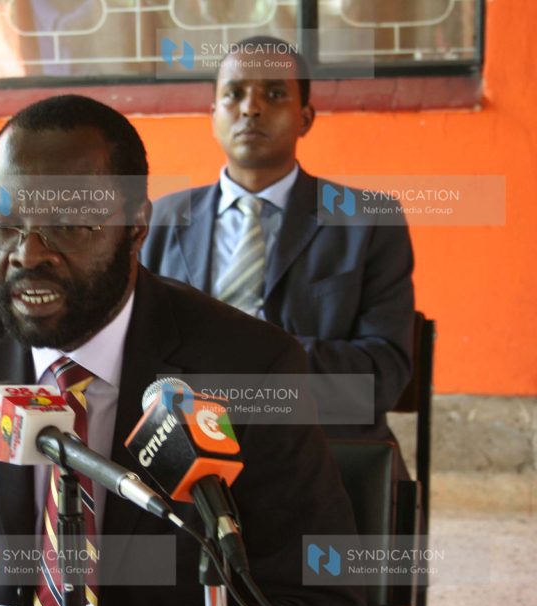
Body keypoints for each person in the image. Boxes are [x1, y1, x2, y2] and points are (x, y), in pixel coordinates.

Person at [0, 94, 369, 606]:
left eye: (69, 226)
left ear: (136, 226)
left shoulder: (249, 367)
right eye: (4, 225)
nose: (28, 254)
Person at [141, 36, 415, 442]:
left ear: (305, 118)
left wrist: (258, 360)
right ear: (213, 114)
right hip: (184, 450)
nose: (251, 108)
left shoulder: (368, 222)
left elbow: (382, 377)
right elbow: (135, 357)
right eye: (234, 94)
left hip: (324, 451)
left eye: (274, 93)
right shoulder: (160, 220)